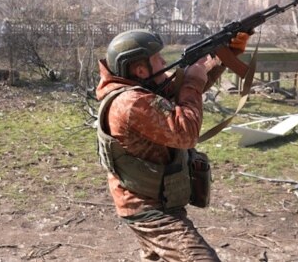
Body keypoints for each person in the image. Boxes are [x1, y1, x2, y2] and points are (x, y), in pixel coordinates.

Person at [96, 29, 249, 261]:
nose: (164, 62)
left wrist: (223, 55)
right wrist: (194, 80)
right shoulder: (131, 103)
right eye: (158, 58)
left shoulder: (141, 89)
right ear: (141, 70)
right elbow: (186, 132)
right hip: (148, 209)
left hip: (153, 197)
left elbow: (180, 91)